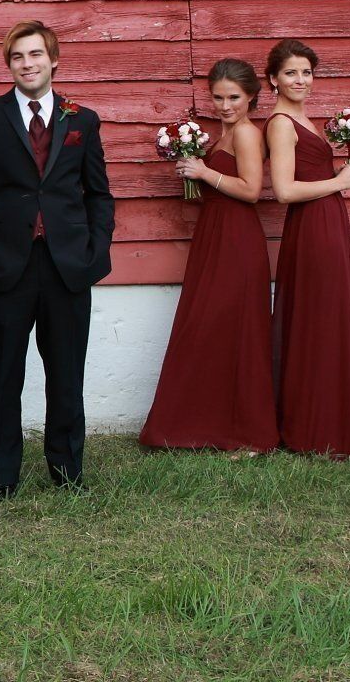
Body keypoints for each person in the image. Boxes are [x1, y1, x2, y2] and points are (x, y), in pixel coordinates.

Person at [0, 20, 116, 495]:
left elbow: (98, 194)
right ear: (10, 64)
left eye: (36, 55)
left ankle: (67, 472)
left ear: (53, 59)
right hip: (6, 266)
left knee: (66, 372)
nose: (28, 64)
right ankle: (2, 476)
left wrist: (95, 250)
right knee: (3, 375)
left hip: (67, 266)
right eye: (19, 57)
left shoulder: (81, 119)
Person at [264, 39, 350, 459]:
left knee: (330, 318)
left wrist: (336, 172)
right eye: (291, 72)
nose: (300, 79)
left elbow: (307, 173)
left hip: (327, 223)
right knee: (319, 318)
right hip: (312, 228)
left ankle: (333, 415)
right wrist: (339, 183)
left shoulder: (302, 117)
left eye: (306, 72)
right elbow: (285, 191)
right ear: (273, 79)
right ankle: (315, 425)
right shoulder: (281, 123)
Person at [139, 59, 280, 454]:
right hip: (215, 234)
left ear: (251, 96)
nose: (225, 105)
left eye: (233, 97)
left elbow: (252, 190)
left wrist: (204, 174)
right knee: (210, 328)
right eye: (218, 97)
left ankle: (250, 433)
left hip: (237, 239)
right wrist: (195, 174)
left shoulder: (249, 134)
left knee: (235, 329)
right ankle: (204, 423)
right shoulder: (223, 135)